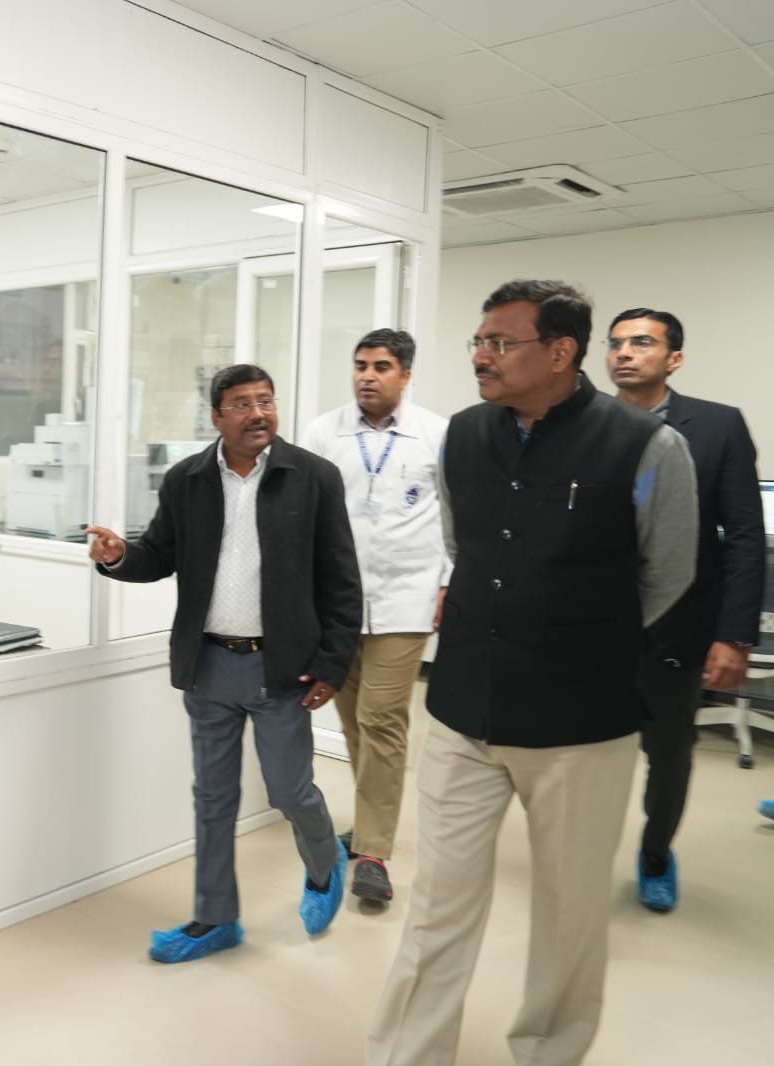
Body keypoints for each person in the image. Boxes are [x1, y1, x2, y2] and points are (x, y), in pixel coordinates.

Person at [368, 280, 697, 1066]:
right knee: (436, 908)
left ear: (560, 352)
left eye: (500, 343)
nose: (481, 356)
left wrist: (577, 632)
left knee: (569, 916)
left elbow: (668, 574)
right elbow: (463, 544)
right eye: (478, 341)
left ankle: (549, 1051)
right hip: (463, 712)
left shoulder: (646, 446)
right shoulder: (463, 435)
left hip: (582, 726)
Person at [87, 363, 362, 963]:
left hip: (281, 669)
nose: (258, 413)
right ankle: (215, 919)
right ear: (216, 416)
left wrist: (332, 664)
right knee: (212, 799)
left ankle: (324, 863)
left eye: (265, 400)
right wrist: (117, 556)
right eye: (242, 404)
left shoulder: (313, 477)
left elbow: (342, 581)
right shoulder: (187, 480)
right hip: (208, 665)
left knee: (290, 792)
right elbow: (158, 554)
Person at [604, 308, 765, 912]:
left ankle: (655, 854)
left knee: (668, 756)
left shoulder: (718, 427)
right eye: (616, 343)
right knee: (585, 752)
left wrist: (734, 635)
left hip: (678, 626)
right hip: (594, 626)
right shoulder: (583, 425)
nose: (625, 352)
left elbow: (744, 536)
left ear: (673, 359)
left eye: (641, 342)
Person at [301, 328, 449, 906]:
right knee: (354, 723)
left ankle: (373, 855)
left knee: (381, 719)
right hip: (337, 604)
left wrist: (448, 581)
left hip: (405, 600)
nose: (367, 375)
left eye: (381, 366)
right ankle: (369, 823)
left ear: (405, 375)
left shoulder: (436, 434)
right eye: (361, 365)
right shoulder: (324, 433)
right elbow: (304, 513)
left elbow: (457, 517)